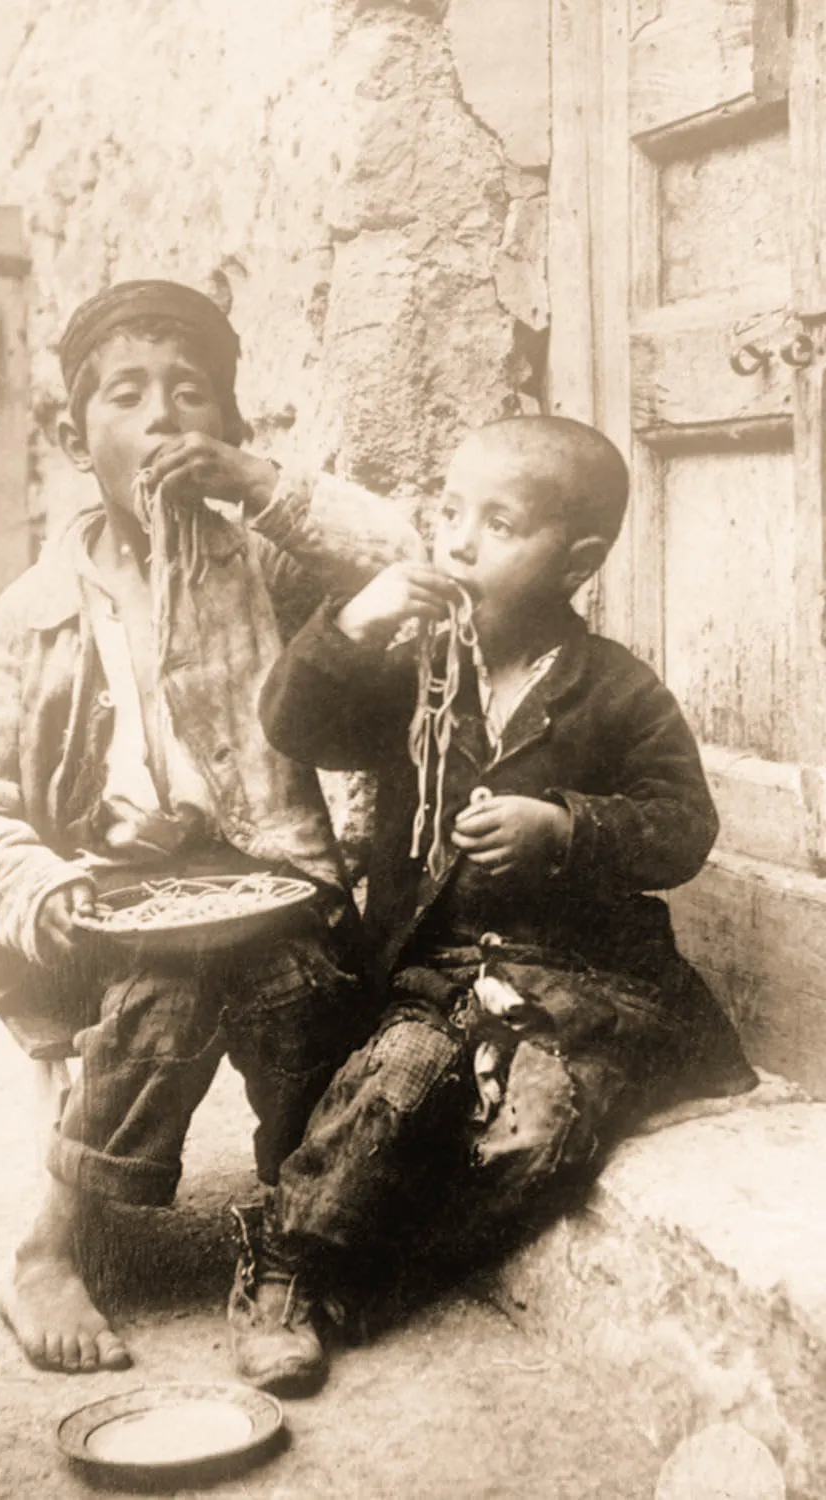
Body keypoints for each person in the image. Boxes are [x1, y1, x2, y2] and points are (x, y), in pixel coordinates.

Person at [0, 279, 421, 1386]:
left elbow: (400, 555)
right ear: (73, 433)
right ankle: (49, 1251)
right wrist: (44, 889)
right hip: (98, 912)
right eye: (127, 394)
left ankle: (286, 1248)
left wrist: (262, 490)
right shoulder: (29, 620)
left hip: (266, 887)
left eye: (190, 395)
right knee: (163, 987)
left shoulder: (264, 566)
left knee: (298, 997)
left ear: (228, 429)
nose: (161, 416)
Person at [255, 415, 757, 1390]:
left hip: (587, 987)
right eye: (450, 512)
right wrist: (354, 625)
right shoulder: (417, 668)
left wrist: (565, 827)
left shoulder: (617, 690)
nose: (459, 540)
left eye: (498, 522)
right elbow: (297, 724)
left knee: (538, 1133)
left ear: (577, 561)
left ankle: (390, 1271)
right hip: (438, 971)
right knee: (389, 1089)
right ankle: (285, 1265)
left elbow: (682, 827)